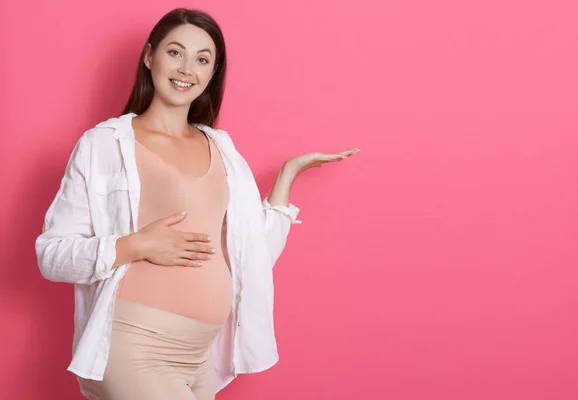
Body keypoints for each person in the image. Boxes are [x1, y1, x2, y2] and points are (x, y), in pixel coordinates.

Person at [35, 7, 359, 400]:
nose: (187, 68)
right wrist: (136, 244)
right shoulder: (104, 145)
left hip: (201, 355)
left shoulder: (222, 148)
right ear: (149, 56)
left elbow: (250, 255)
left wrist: (287, 176)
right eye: (175, 52)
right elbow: (51, 255)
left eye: (202, 59)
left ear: (212, 74)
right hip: (135, 346)